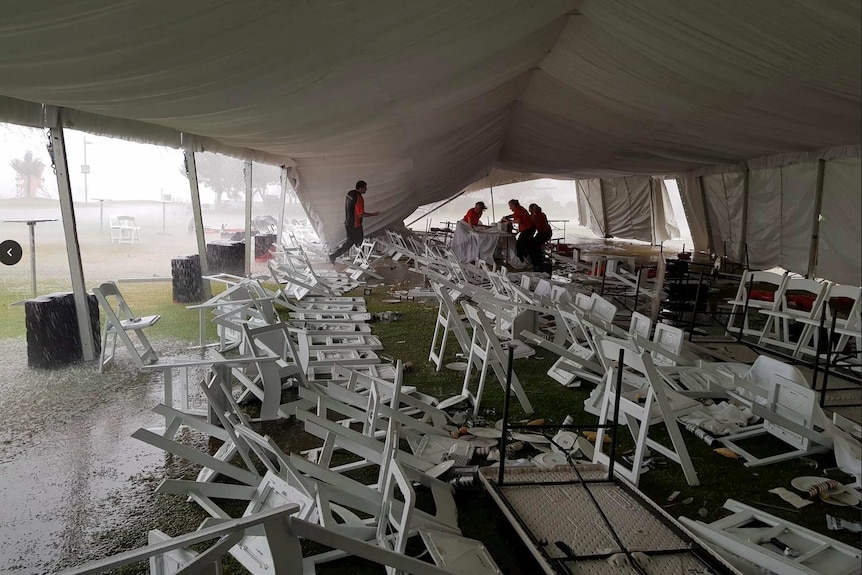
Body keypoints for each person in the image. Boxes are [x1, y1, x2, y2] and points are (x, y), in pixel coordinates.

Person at [328, 180, 380, 263]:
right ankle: (362, 261)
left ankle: (361, 260)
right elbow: (360, 214)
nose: (366, 190)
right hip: (355, 224)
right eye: (365, 188)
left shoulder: (350, 193)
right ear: (360, 188)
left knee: (353, 242)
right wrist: (373, 214)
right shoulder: (359, 197)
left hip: (348, 222)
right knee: (358, 242)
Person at [501, 199, 534, 266]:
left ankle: (521, 261)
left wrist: (509, 222)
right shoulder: (520, 209)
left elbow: (518, 220)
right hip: (529, 228)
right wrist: (508, 217)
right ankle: (526, 260)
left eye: (510, 206)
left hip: (527, 229)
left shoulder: (517, 209)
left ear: (513, 205)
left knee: (519, 246)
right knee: (525, 245)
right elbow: (515, 215)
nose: (510, 208)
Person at [529, 203, 552, 270]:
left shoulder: (540, 215)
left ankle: (538, 261)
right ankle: (538, 258)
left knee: (534, 244)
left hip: (545, 233)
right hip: (543, 232)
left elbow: (533, 222)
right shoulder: (538, 215)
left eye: (530, 210)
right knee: (534, 243)